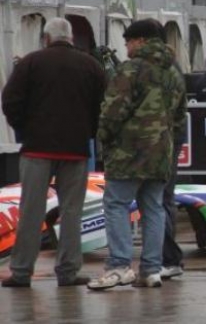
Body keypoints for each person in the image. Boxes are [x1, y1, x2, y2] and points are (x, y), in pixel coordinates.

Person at [1, 17, 106, 288]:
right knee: (72, 212)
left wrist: (25, 129)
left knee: (31, 211)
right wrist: (88, 132)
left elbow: (10, 101)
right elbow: (102, 107)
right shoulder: (91, 66)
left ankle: (22, 272)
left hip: (37, 149)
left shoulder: (30, 63)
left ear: (46, 38)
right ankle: (69, 272)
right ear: (70, 38)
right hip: (77, 149)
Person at [88, 19, 187, 290]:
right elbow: (180, 117)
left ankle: (119, 266)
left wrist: (104, 139)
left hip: (128, 152)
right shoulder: (174, 72)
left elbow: (112, 112)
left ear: (140, 41)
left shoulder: (129, 70)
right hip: (161, 153)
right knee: (153, 208)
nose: (126, 46)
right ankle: (151, 269)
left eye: (128, 41)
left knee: (116, 204)